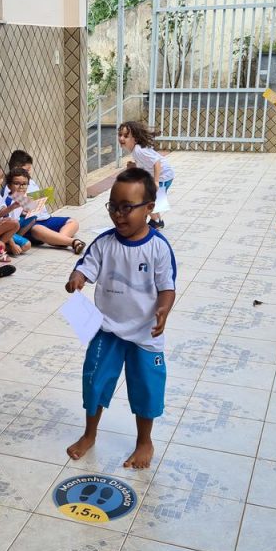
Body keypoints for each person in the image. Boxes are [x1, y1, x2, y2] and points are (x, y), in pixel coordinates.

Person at [65, 168, 176, 469]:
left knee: (147, 388)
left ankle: (144, 441)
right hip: (107, 330)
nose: (118, 214)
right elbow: (86, 266)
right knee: (95, 380)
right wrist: (77, 277)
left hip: (145, 333)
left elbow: (167, 287)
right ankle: (90, 434)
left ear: (149, 208)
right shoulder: (104, 243)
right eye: (113, 206)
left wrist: (163, 309)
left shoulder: (158, 249)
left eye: (127, 207)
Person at [6, 149, 82, 247]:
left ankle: (59, 239)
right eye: (27, 170)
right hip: (32, 224)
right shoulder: (11, 189)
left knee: (73, 222)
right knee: (38, 229)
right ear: (17, 168)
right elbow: (21, 211)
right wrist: (33, 203)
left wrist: (42, 198)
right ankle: (70, 242)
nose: (29, 173)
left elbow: (35, 205)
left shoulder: (31, 182)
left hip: (45, 219)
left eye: (29, 170)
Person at [118, 121, 174, 229]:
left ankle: (156, 221)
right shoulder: (136, 149)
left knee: (144, 200)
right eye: (120, 135)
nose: (121, 138)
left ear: (135, 138)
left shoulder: (139, 150)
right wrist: (134, 165)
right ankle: (157, 221)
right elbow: (147, 162)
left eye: (126, 136)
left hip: (163, 176)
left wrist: (156, 181)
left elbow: (156, 162)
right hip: (163, 175)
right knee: (149, 200)